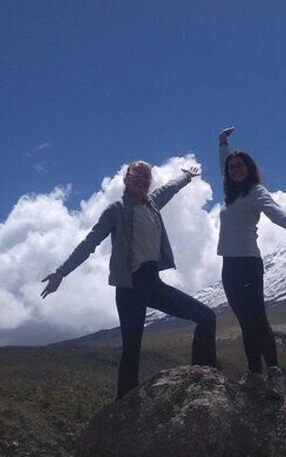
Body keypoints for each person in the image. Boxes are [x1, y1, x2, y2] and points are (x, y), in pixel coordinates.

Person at [41, 161, 217, 399]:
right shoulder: (116, 210)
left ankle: (202, 378)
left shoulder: (152, 203)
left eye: (147, 178)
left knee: (206, 317)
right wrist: (61, 272)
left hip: (152, 283)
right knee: (131, 349)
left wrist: (185, 177)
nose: (143, 181)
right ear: (126, 179)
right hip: (129, 287)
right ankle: (125, 404)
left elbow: (169, 188)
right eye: (137, 176)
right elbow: (90, 242)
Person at [217, 127, 286, 399]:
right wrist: (223, 144)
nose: (236, 169)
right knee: (244, 322)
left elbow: (274, 210)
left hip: (248, 262)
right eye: (232, 167)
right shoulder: (232, 195)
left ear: (249, 169)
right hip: (229, 266)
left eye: (240, 165)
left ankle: (273, 375)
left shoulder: (255, 192)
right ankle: (255, 375)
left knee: (258, 320)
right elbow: (224, 163)